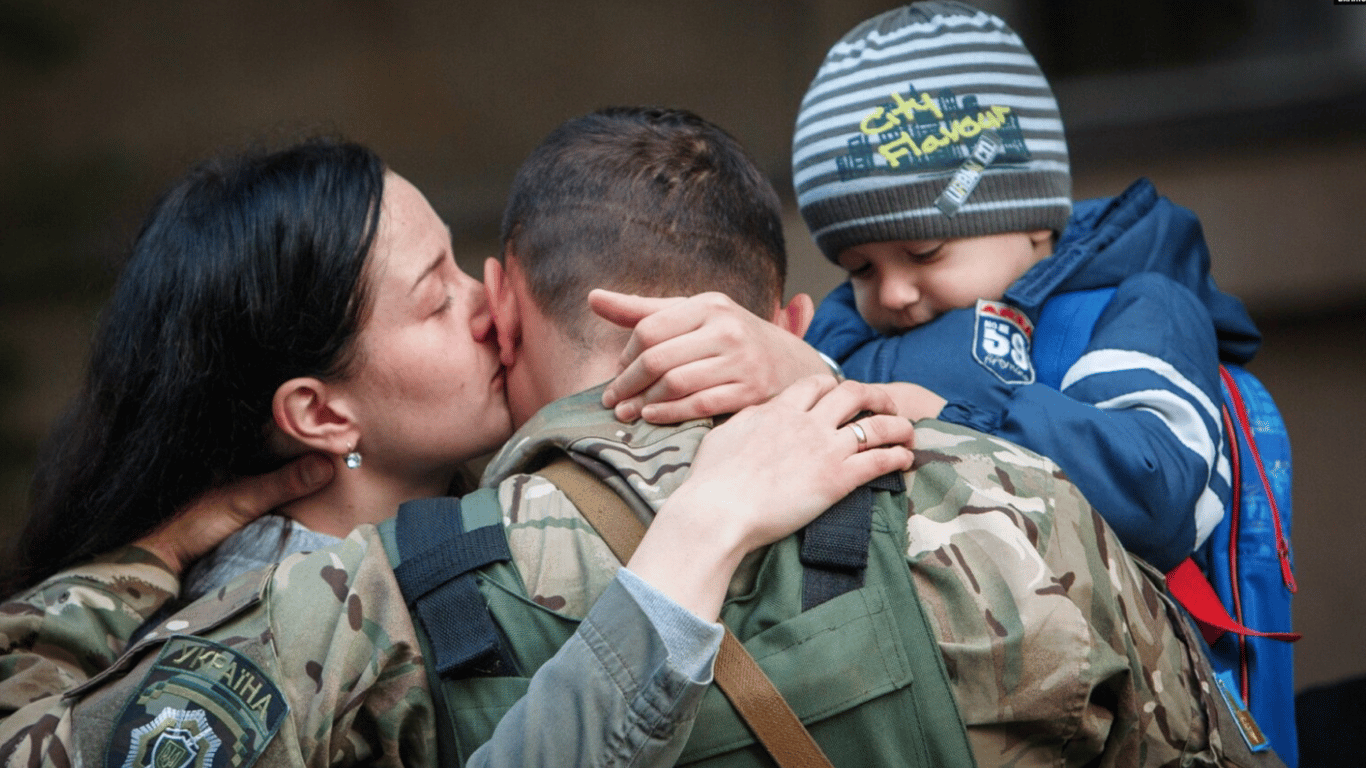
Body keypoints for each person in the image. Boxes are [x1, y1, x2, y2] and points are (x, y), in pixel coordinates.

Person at [4, 107, 1283, 767]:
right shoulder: (1011, 502)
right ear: (785, 315)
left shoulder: (363, 604)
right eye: (430, 289)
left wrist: (146, 549)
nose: (469, 308)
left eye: (468, 282)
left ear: (516, 303)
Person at [0, 137, 915, 766]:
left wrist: (795, 367)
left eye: (458, 260)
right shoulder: (262, 621)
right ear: (322, 415)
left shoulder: (494, 499)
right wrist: (150, 559)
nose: (487, 301)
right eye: (435, 300)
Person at [783, 0, 1267, 574]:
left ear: (1035, 217)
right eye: (860, 268)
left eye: (924, 252)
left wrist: (949, 420)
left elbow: (1153, 499)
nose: (890, 294)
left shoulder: (1141, 310)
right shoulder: (842, 336)